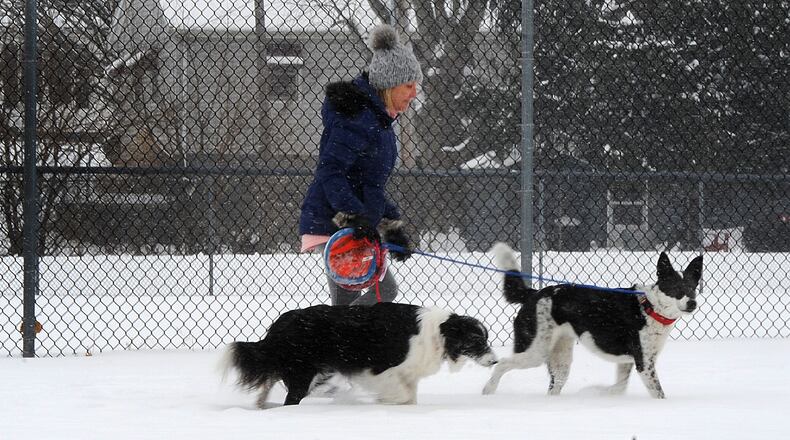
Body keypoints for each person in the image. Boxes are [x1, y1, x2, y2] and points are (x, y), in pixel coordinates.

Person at [299, 24, 422, 306]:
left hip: (351, 221)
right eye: (409, 85)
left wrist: (391, 226)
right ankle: (341, 345)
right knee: (358, 297)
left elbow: (370, 184)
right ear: (390, 84)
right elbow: (331, 172)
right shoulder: (357, 119)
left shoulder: (379, 121)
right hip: (334, 219)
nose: (414, 92)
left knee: (376, 293)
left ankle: (347, 344)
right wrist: (353, 216)